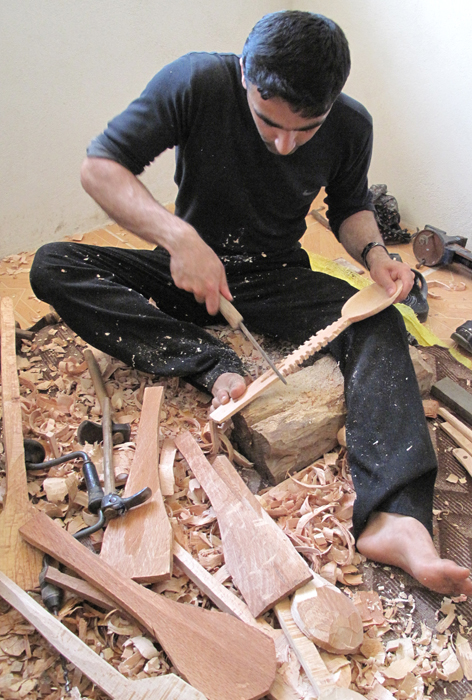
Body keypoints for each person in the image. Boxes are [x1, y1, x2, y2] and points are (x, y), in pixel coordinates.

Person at [30, 11, 472, 595]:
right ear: (245, 75)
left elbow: (349, 207)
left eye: (306, 129)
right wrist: (180, 240)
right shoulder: (197, 82)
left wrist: (374, 255)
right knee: (55, 265)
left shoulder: (352, 124)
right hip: (185, 271)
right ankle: (211, 362)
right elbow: (100, 168)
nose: (285, 145)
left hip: (273, 277)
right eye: (269, 122)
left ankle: (394, 515)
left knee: (378, 321)